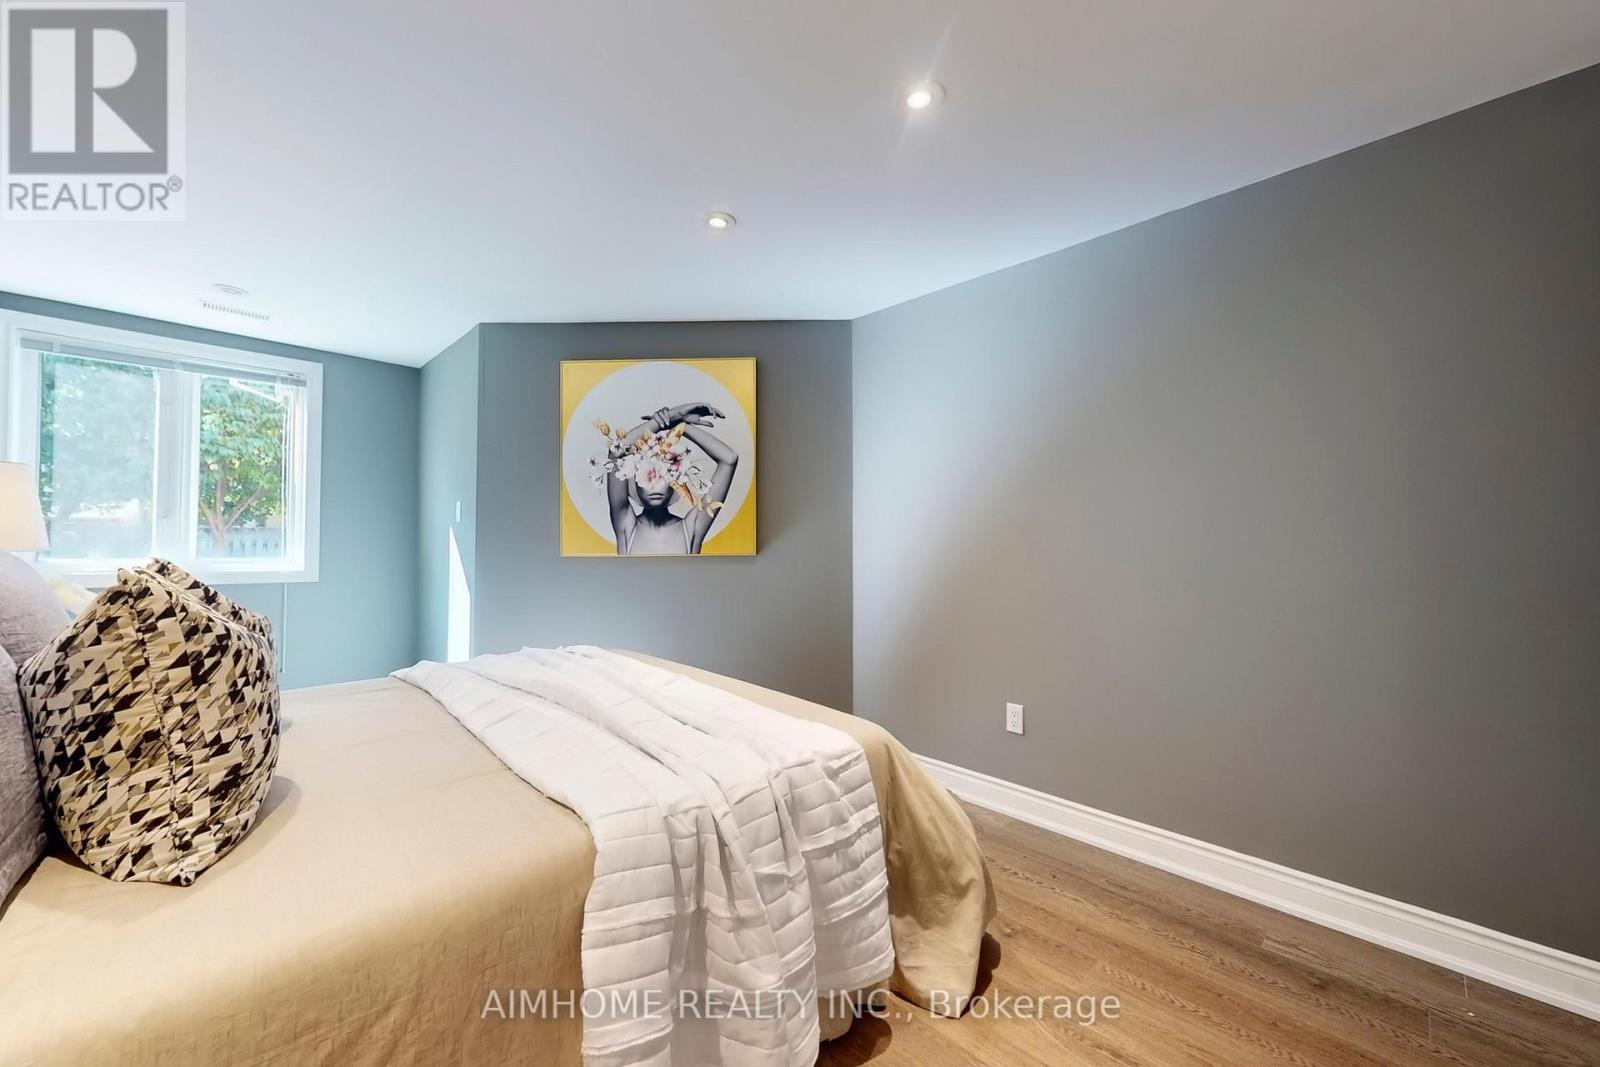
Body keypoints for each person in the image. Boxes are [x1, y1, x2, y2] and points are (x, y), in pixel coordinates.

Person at [601, 402, 738, 555]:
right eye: (646, 476)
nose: (654, 486)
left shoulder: (692, 527)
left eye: (662, 476)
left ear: (674, 482)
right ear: (634, 484)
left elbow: (729, 459)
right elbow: (616, 452)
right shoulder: (626, 524)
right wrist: (665, 420)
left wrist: (680, 425)